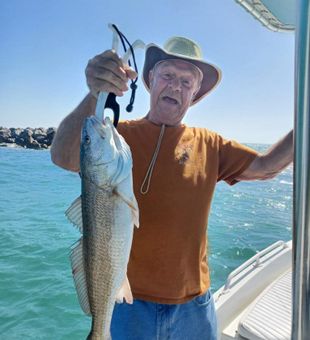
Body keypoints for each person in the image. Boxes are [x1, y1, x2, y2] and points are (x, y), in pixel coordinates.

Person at [51, 36, 293, 339]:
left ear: (194, 95)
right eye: (168, 75)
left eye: (186, 81)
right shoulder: (116, 140)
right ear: (151, 80)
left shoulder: (212, 145)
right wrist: (95, 93)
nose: (176, 86)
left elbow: (267, 166)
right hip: (127, 303)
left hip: (194, 307)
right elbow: (63, 155)